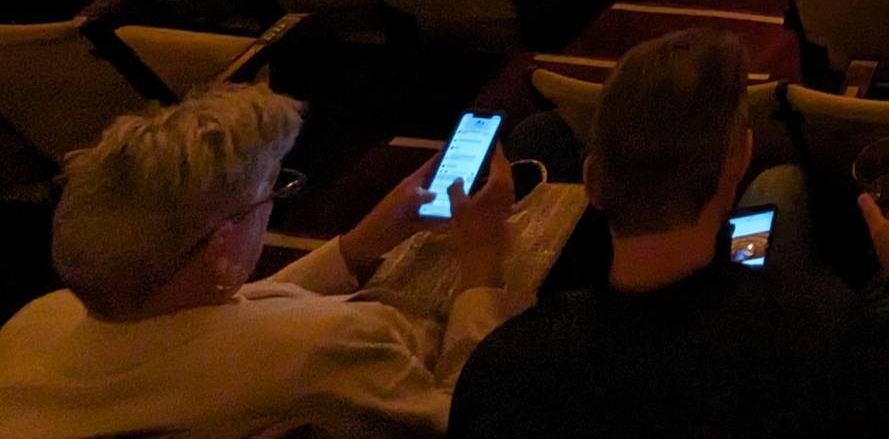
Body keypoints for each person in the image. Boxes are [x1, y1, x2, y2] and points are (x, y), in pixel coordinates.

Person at [450, 30, 889, 439]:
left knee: (783, 188)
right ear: (738, 159)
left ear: (593, 181)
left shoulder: (505, 365)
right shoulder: (821, 328)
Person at [0, 82, 521, 437]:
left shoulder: (33, 323)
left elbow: (224, 318)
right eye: (272, 190)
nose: (273, 203)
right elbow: (474, 419)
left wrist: (359, 244)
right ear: (222, 246)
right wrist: (480, 273)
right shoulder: (331, 346)